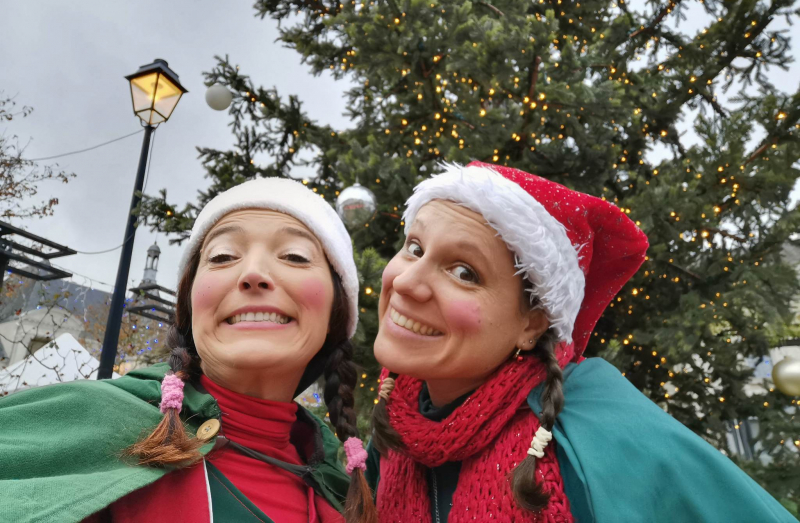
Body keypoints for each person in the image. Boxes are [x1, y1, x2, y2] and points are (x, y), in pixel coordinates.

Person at [367, 162, 795, 523]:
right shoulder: (397, 421)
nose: (405, 282)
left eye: (464, 272)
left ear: (533, 325)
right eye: (414, 248)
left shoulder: (602, 442)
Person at [1, 177, 376, 523]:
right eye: (223, 256)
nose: (253, 273)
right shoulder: (81, 421)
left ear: (337, 310)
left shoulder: (344, 491)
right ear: (190, 305)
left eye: (294, 256)